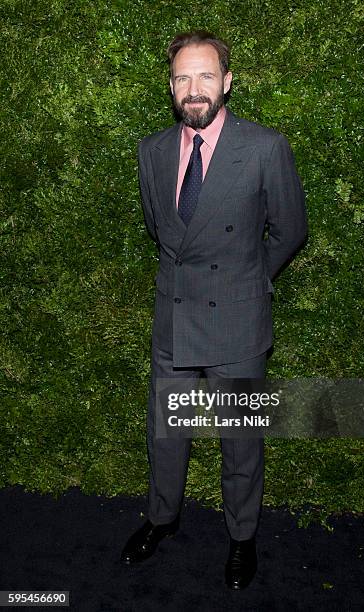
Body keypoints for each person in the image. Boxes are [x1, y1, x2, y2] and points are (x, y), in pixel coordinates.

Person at [121, 30, 307, 590]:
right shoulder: (151, 150)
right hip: (174, 317)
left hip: (238, 321)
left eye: (205, 76)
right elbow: (163, 231)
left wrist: (247, 281)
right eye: (182, 78)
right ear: (171, 87)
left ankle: (242, 538)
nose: (193, 89)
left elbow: (290, 231)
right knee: (167, 433)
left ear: (227, 82)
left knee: (240, 443)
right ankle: (161, 519)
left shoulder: (265, 147)